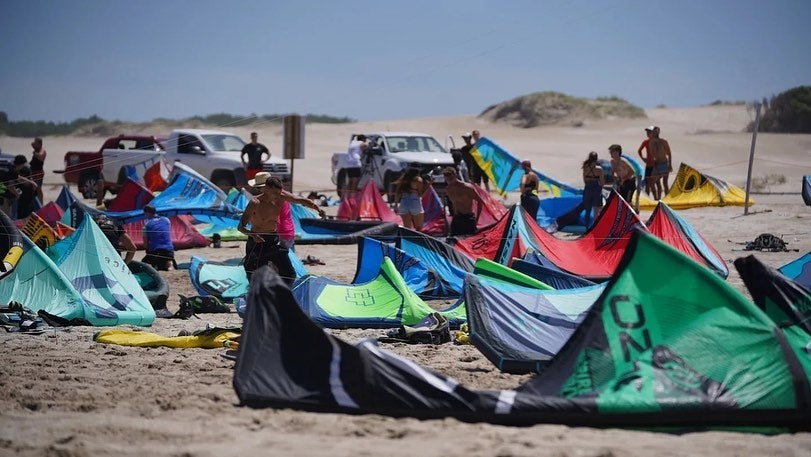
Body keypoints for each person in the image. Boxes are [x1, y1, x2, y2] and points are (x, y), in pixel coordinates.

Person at [238, 173, 326, 285]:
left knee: (289, 274)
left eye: (279, 192)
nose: (278, 195)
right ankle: (259, 298)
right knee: (257, 276)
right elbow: (241, 227)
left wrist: (317, 208)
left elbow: (299, 200)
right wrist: (253, 235)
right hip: (257, 242)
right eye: (275, 193)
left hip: (273, 240)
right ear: (266, 189)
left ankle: (280, 297)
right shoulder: (255, 203)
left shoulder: (281, 196)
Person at [442, 167, 484, 237]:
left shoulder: (467, 188)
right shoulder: (448, 189)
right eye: (447, 180)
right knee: (453, 241)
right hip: (457, 218)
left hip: (468, 218)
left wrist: (477, 219)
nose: (449, 181)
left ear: (455, 176)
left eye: (451, 179)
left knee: (469, 241)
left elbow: (480, 201)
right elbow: (452, 204)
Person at [141, 204, 175, 271]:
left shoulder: (146, 225)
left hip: (156, 250)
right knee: (168, 260)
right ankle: (169, 263)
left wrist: (148, 249)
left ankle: (157, 264)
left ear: (147, 213)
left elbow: (145, 244)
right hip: (169, 250)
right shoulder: (166, 220)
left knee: (144, 263)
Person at [580, 151, 605, 227]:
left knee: (588, 209)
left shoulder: (585, 167)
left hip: (588, 188)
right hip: (596, 189)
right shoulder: (599, 169)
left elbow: (584, 180)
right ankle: (595, 227)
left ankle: (586, 227)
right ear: (596, 159)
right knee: (596, 210)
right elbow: (602, 182)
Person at [649, 126, 673, 199]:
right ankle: (657, 199)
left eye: (656, 131)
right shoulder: (651, 142)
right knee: (653, 182)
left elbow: (669, 153)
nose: (655, 132)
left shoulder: (663, 141)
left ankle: (667, 199)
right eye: (653, 131)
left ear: (659, 132)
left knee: (665, 183)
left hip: (665, 164)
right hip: (657, 164)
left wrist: (670, 164)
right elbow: (652, 155)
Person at [343, 134, 367, 198]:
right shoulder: (361, 143)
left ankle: (346, 196)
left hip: (349, 164)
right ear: (363, 139)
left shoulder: (352, 143)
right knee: (355, 182)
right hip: (356, 163)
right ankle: (352, 197)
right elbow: (364, 146)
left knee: (350, 181)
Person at [637, 127, 657, 197]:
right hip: (648, 165)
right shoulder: (645, 142)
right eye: (647, 132)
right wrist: (643, 159)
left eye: (649, 132)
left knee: (653, 184)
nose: (648, 134)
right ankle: (648, 199)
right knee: (647, 184)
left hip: (655, 166)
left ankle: (656, 199)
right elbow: (639, 151)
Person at [29, 137, 46, 203]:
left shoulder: (42, 150)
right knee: (33, 188)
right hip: (33, 171)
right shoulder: (36, 149)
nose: (34, 143)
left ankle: (41, 202)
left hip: (38, 172)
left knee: (38, 188)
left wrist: (35, 153)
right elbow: (32, 144)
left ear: (39, 144)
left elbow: (41, 157)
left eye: (36, 142)